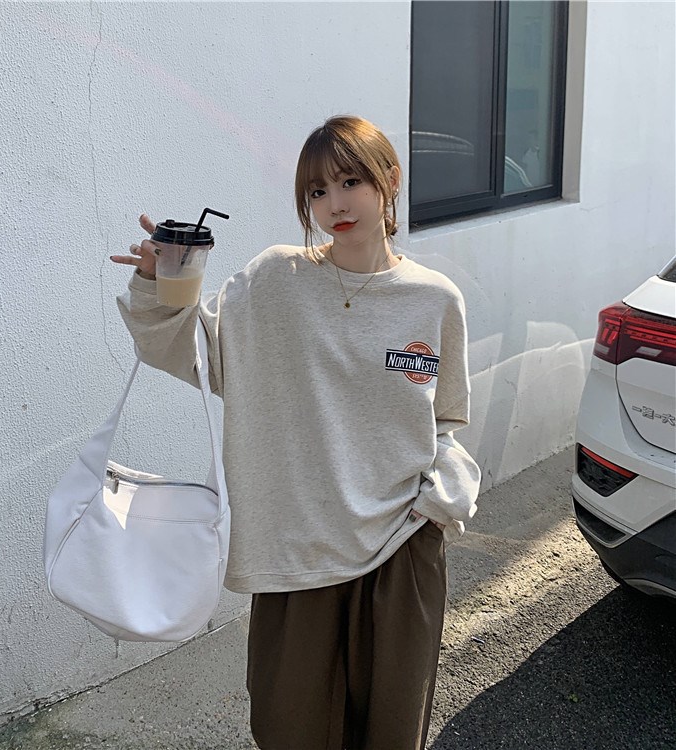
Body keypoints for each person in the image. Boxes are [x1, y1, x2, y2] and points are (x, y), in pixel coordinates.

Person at [111, 115, 481, 750]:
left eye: (351, 181)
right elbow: (193, 353)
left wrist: (441, 498)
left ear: (390, 181)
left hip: (402, 546)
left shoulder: (435, 299)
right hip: (294, 554)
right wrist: (164, 278)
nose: (335, 204)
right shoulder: (274, 280)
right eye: (317, 190)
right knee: (291, 728)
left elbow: (444, 420)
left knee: (391, 733)